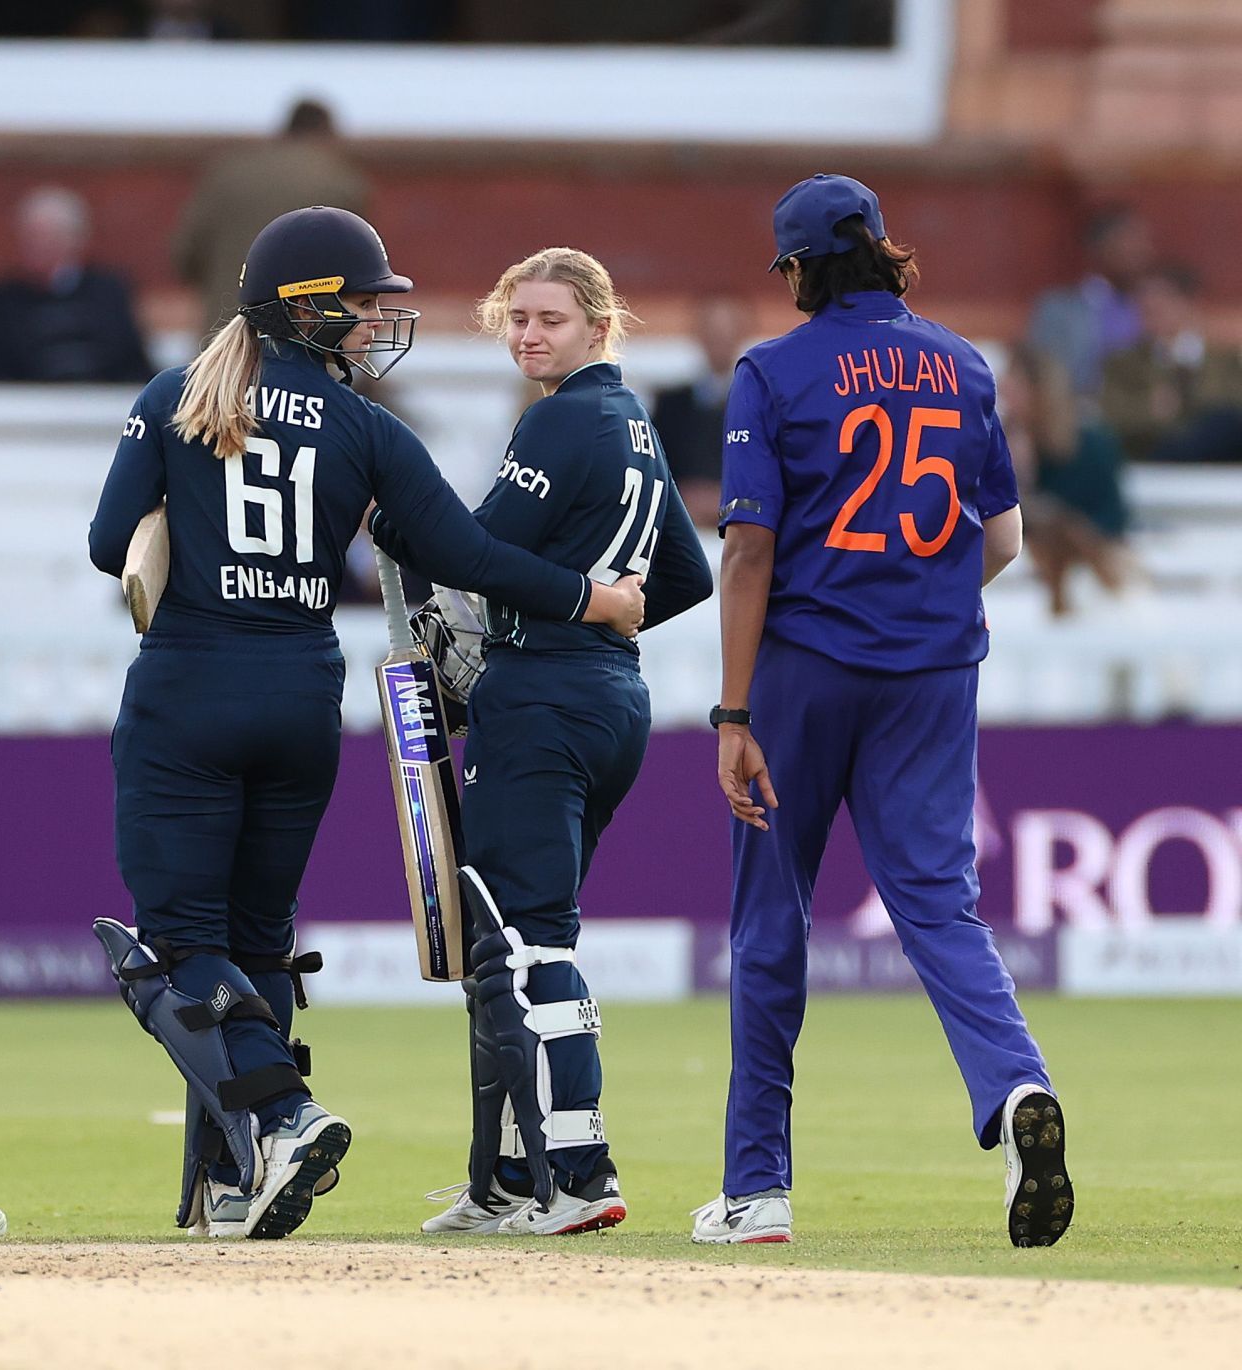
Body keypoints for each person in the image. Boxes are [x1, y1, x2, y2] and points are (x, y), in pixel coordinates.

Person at [86, 207, 642, 1242]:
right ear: (304, 308)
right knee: (259, 939)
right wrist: (587, 596)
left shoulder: (174, 398)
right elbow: (469, 556)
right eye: (356, 300)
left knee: (174, 944)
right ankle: (230, 1180)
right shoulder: (367, 426)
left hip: (189, 683)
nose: (373, 320)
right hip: (301, 691)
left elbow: (106, 543)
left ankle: (282, 1116)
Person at [702, 174, 1071, 1249]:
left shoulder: (770, 370)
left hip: (805, 670)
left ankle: (757, 1187)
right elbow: (1001, 540)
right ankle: (1014, 1091)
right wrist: (917, 603)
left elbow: (750, 548)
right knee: (939, 907)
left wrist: (733, 711)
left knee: (773, 919)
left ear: (801, 267)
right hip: (933, 673)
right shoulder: (964, 364)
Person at [377, 248, 712, 1237]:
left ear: (599, 327)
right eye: (516, 317)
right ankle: (508, 1177)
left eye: (550, 319)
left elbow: (470, 549)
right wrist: (609, 614)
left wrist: (399, 516)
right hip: (612, 701)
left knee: (524, 938)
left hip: (543, 701)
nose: (528, 333)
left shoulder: (560, 418)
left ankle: (577, 1173)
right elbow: (685, 574)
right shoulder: (637, 425)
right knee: (507, 937)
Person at [171, 99, 371, 334]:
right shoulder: (339, 181)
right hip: (305, 335)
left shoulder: (228, 173)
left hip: (226, 329)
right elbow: (364, 272)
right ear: (327, 133)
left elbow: (186, 255)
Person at [0, 187, 154, 384]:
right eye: (29, 237)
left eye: (45, 237)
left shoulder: (108, 293)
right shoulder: (0, 300)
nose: (36, 246)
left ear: (74, 240)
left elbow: (132, 364)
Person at [1001, 348, 1133, 617]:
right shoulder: (1000, 442)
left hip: (1091, 555)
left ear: (1041, 391)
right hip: (1024, 563)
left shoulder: (1090, 444)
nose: (1005, 398)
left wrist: (1072, 530)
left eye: (1014, 388)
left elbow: (1113, 516)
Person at [1098, 265, 1242, 464]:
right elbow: (1108, 414)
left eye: (1162, 301)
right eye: (1144, 304)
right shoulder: (1122, 362)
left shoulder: (1224, 359)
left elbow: (1234, 407)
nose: (1151, 308)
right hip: (1152, 458)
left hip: (1219, 464)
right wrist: (1150, 409)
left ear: (1187, 303)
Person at [1024, 205, 1152, 399]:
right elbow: (1044, 374)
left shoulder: (1154, 306)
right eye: (1131, 242)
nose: (1144, 251)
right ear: (1101, 248)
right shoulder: (1059, 310)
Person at [652, 296, 750, 525]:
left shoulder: (761, 404)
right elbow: (656, 471)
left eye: (727, 332)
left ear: (742, 333)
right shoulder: (670, 405)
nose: (720, 340)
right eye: (713, 332)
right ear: (698, 334)